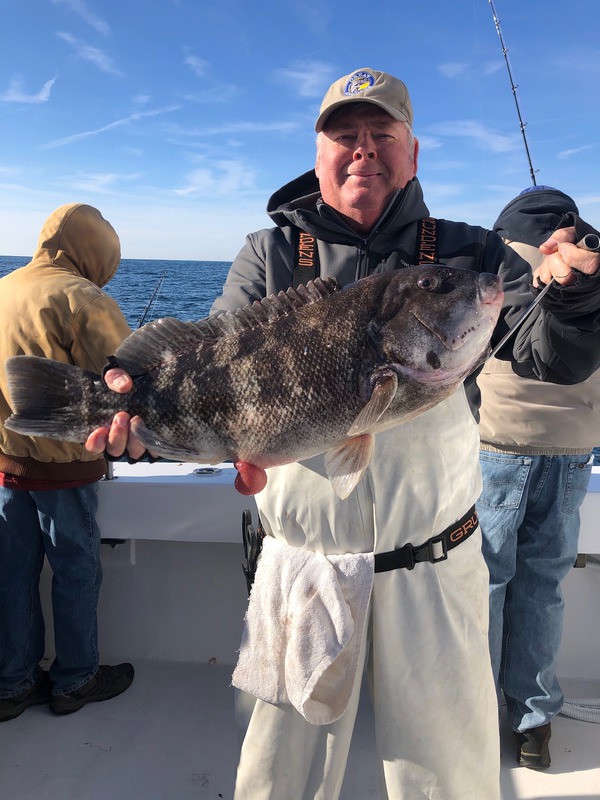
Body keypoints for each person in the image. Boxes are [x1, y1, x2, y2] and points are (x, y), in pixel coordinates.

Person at [87, 69, 600, 799]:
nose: (364, 150)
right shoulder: (268, 255)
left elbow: (553, 352)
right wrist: (128, 394)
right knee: (281, 776)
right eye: (345, 135)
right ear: (319, 152)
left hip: (437, 567)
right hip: (302, 568)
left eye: (382, 135)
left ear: (412, 153)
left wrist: (574, 295)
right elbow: (205, 352)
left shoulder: (468, 255)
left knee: (447, 777)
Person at [475, 186, 600, 770]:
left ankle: (474, 707)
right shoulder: (589, 264)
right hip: (575, 453)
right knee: (544, 585)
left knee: (489, 580)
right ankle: (533, 724)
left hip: (498, 444)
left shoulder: (497, 261)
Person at [0, 203, 135, 723]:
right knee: (75, 571)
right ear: (96, 251)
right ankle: (75, 678)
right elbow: (127, 380)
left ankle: (12, 682)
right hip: (65, 468)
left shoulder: (5, 286)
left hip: (7, 465)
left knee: (12, 573)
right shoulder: (84, 298)